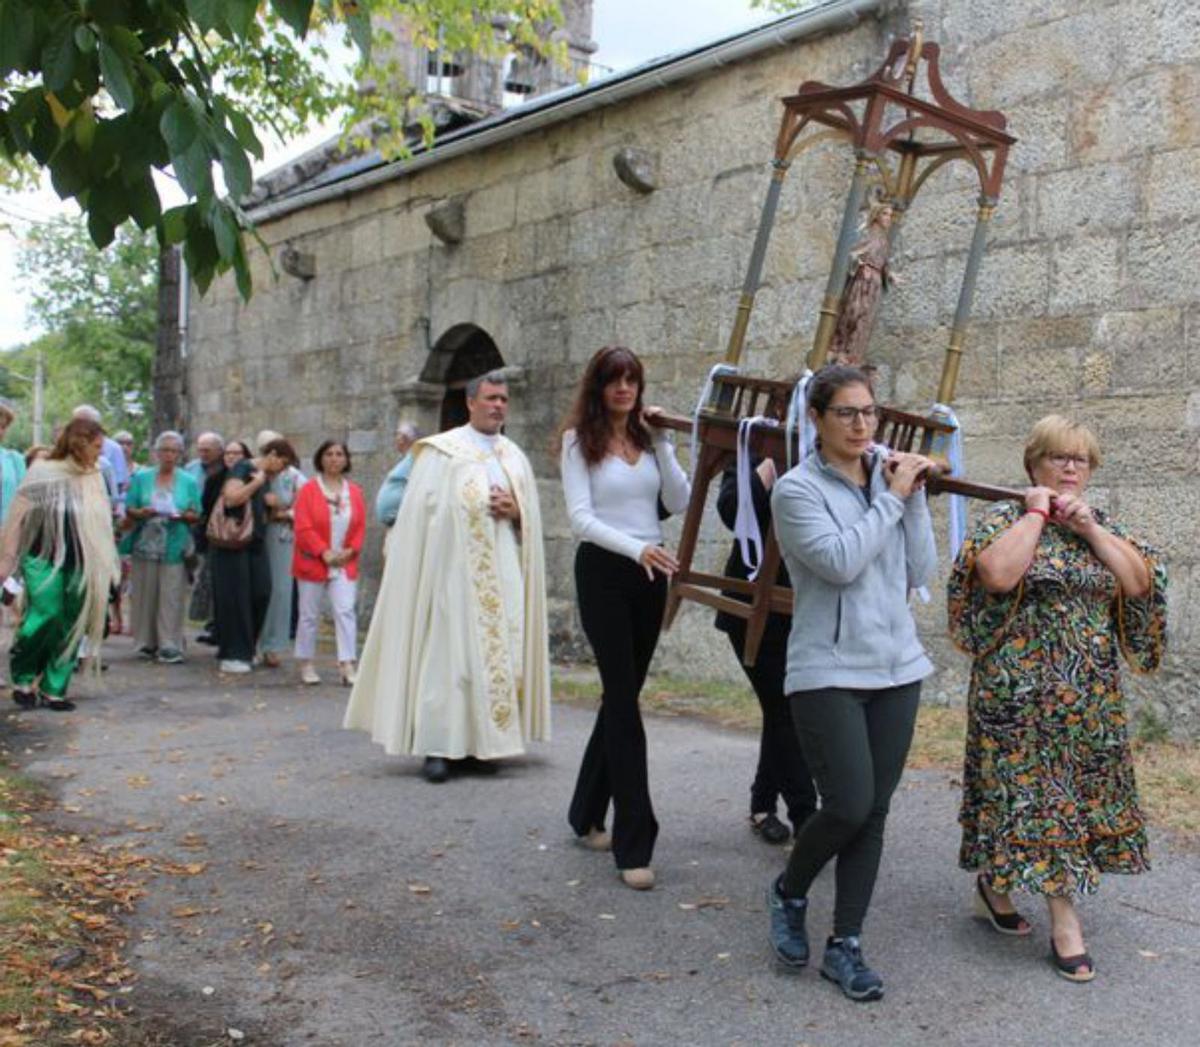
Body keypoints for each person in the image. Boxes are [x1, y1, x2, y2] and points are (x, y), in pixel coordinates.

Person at [949, 415, 1165, 984]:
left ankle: (994, 885)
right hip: (1016, 701)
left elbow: (1139, 583)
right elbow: (995, 575)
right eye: (1058, 457)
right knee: (1036, 801)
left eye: (1081, 460)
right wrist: (1038, 514)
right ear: (1034, 464)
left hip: (1087, 703)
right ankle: (1065, 923)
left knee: (1046, 804)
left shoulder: (1102, 526)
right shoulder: (1005, 519)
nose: (1071, 467)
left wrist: (1091, 531)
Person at [766, 364, 936, 1002]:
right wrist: (891, 500)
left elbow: (921, 569)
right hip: (828, 670)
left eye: (870, 412)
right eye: (847, 413)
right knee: (846, 803)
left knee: (875, 812)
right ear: (816, 419)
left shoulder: (886, 478)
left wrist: (911, 498)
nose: (863, 425)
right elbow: (838, 563)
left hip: (898, 667)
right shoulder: (795, 490)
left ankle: (846, 945)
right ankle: (788, 892)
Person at [344, 372, 551, 782]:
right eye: (491, 398)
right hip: (451, 572)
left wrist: (516, 511)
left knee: (494, 657)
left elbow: (532, 518)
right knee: (447, 660)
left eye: (504, 400)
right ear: (470, 402)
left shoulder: (513, 456)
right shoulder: (442, 452)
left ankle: (479, 744)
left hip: (503, 568)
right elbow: (419, 512)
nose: (498, 406)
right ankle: (438, 746)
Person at [559, 346, 690, 891]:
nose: (624, 389)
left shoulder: (647, 439)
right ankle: (634, 841)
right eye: (614, 380)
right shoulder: (577, 441)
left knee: (622, 696)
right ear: (599, 386)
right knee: (623, 699)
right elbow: (581, 518)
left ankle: (585, 812)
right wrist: (634, 549)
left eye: (632, 380)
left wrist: (664, 442)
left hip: (651, 574)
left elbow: (679, 500)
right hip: (605, 572)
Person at [715, 455, 817, 845]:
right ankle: (807, 816)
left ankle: (762, 804)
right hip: (751, 609)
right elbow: (729, 512)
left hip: (806, 608)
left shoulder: (827, 454)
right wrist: (759, 478)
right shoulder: (752, 446)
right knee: (784, 709)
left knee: (785, 710)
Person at [0, 418, 120, 710]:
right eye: (95, 446)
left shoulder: (95, 474)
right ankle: (24, 677)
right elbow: (17, 518)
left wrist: (107, 567)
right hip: (42, 555)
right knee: (45, 613)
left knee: (71, 622)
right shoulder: (42, 472)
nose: (99, 452)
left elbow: (103, 524)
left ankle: (55, 687)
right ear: (79, 443)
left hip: (82, 559)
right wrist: (7, 560)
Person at [123, 431, 201, 664]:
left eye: (174, 451)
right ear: (156, 453)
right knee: (145, 592)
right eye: (165, 450)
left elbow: (196, 513)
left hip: (174, 541)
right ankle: (146, 641)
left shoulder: (188, 480)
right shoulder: (141, 477)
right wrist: (143, 512)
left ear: (180, 454)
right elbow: (130, 508)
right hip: (145, 541)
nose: (169, 455)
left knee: (171, 593)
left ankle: (169, 643)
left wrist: (182, 515)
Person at [209, 440, 286, 674]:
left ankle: (247, 647)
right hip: (232, 544)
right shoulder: (243, 469)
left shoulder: (264, 476)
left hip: (255, 543)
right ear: (272, 454)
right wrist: (257, 483)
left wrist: (273, 506)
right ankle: (233, 653)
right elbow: (232, 498)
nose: (283, 469)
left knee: (261, 592)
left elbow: (262, 514)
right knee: (235, 597)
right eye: (283, 462)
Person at [293, 440, 366, 686]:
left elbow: (360, 525)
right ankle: (306, 662)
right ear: (320, 459)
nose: (334, 458)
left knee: (345, 610)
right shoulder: (309, 490)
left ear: (346, 459)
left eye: (339, 454)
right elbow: (303, 526)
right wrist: (323, 552)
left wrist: (351, 550)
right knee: (309, 615)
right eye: (329, 454)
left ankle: (347, 663)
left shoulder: (354, 491)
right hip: (314, 560)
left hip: (343, 561)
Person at [256, 434, 304, 668]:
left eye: (282, 459)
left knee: (279, 591)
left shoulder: (294, 478)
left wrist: (282, 512)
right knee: (254, 588)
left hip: (281, 536)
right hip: (255, 536)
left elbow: (306, 509)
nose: (277, 464)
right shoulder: (257, 474)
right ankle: (252, 642)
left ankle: (273, 644)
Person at [828, 202, 894, 368]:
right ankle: (840, 350)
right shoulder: (866, 232)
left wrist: (891, 275)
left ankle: (854, 354)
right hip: (862, 280)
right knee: (853, 312)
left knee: (865, 318)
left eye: (890, 215)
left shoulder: (884, 239)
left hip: (875, 282)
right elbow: (851, 253)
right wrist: (860, 265)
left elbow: (883, 262)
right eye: (885, 214)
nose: (889, 219)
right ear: (877, 215)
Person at [186, 431, 225, 644]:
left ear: (219, 451)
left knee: (213, 578)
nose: (203, 454)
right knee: (200, 577)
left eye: (207, 450)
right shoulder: (191, 469)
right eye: (200, 449)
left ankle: (215, 623)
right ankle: (208, 621)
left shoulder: (225, 471)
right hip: (195, 528)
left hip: (218, 531)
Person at [374, 421, 420, 528]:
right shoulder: (406, 459)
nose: (396, 439)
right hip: (394, 522)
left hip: (402, 521)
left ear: (404, 438)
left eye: (397, 434)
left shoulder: (413, 458)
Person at [0, 401, 27, 527]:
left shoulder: (15, 460)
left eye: (3, 427)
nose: (0, 432)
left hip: (8, 534)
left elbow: (24, 501)